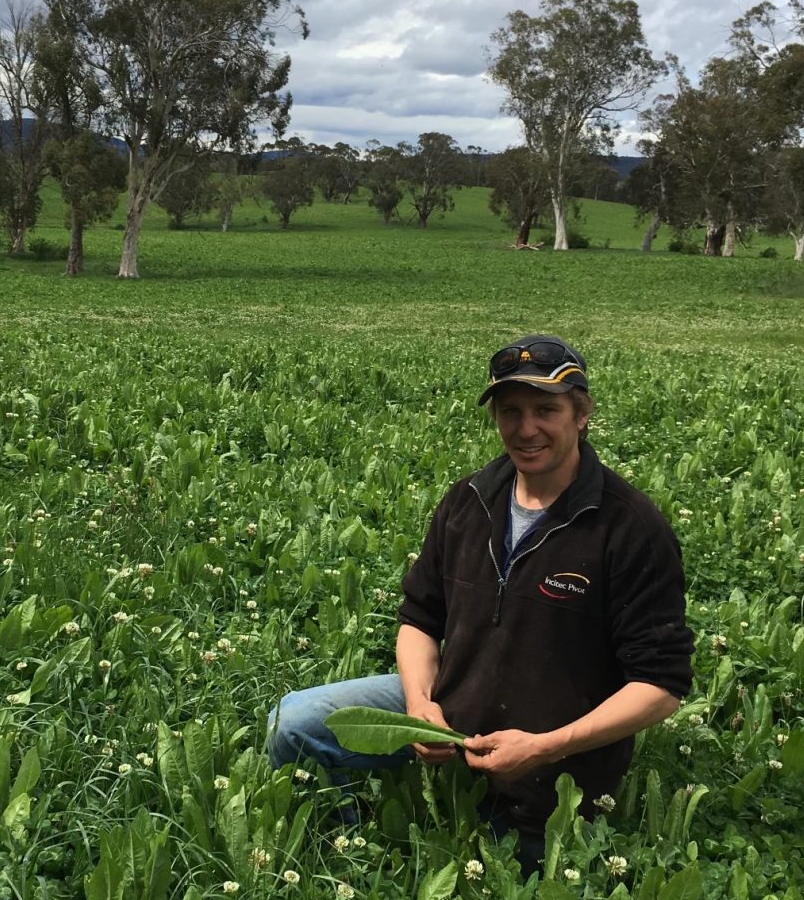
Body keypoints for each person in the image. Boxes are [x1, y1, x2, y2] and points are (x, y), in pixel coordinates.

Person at [266, 335, 693, 867]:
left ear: (582, 413)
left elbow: (661, 686)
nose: (526, 428)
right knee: (294, 722)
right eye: (510, 411)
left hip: (551, 761)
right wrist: (422, 708)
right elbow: (419, 619)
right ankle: (346, 850)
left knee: (502, 883)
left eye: (546, 410)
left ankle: (479, 820)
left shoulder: (629, 527)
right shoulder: (469, 500)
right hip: (452, 711)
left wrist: (547, 746)